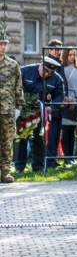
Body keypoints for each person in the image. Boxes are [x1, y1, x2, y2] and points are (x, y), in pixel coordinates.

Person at [15, 57, 63, 173]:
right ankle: (19, 167)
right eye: (46, 71)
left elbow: (59, 96)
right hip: (25, 110)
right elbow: (15, 87)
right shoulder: (25, 71)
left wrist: (51, 107)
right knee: (22, 137)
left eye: (50, 72)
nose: (47, 74)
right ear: (40, 64)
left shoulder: (56, 79)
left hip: (43, 112)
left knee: (40, 138)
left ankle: (38, 166)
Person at [0, 29, 23, 183]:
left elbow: (18, 86)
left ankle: (5, 172)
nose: (2, 47)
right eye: (0, 44)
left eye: (4, 44)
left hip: (7, 110)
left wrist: (19, 106)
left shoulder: (12, 65)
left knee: (7, 141)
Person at [60, 48, 77, 166]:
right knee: (66, 131)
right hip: (65, 101)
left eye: (73, 54)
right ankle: (66, 157)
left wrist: (76, 99)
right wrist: (67, 99)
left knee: (72, 131)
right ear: (65, 55)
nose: (72, 57)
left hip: (76, 101)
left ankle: (72, 156)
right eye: (70, 54)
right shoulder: (61, 68)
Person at [44, 39, 64, 168]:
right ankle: (49, 160)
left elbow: (62, 82)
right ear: (50, 50)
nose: (59, 52)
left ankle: (53, 159)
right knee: (49, 134)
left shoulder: (60, 63)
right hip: (49, 105)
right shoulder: (48, 63)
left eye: (60, 49)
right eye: (56, 49)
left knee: (56, 133)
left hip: (58, 103)